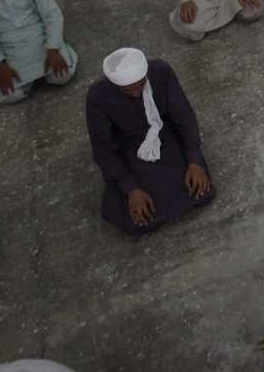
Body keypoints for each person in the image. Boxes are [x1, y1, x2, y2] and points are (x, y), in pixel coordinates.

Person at [87, 48, 212, 234]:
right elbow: (103, 149)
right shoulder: (98, 96)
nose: (137, 94)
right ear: (115, 86)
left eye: (141, 85)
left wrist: (195, 160)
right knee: (138, 219)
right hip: (129, 149)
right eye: (128, 90)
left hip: (164, 136)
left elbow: (183, 116)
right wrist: (131, 189)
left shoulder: (160, 71)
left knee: (200, 192)